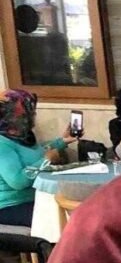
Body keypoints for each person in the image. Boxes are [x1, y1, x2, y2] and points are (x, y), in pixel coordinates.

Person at [0, 89, 77, 226]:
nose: (33, 115)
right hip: (11, 206)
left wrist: (62, 142)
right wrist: (46, 161)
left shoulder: (19, 135)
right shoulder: (2, 144)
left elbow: (36, 152)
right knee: (69, 221)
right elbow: (17, 181)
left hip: (36, 199)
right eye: (29, 112)